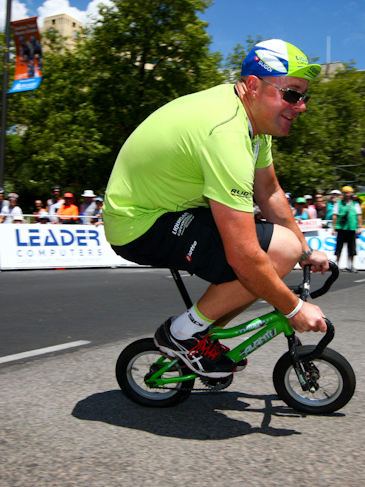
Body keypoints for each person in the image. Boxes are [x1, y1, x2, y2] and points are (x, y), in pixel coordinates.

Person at [103, 39, 327, 378]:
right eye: (292, 94)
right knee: (274, 254)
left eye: (304, 97)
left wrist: (305, 250)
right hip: (140, 225)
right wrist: (293, 307)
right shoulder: (225, 132)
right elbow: (244, 256)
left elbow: (268, 191)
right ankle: (181, 334)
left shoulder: (253, 120)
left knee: (281, 253)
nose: (301, 106)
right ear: (253, 86)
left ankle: (196, 335)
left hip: (170, 210)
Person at [331, 186, 362, 272]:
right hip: (341, 227)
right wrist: (333, 227)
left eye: (348, 193)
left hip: (351, 227)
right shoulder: (338, 203)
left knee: (352, 247)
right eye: (345, 193)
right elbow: (335, 216)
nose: (347, 194)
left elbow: (359, 215)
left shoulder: (355, 204)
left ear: (351, 193)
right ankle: (337, 264)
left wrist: (360, 226)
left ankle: (351, 265)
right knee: (339, 246)